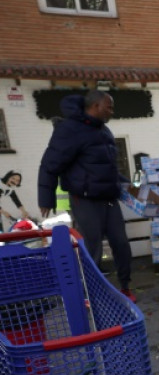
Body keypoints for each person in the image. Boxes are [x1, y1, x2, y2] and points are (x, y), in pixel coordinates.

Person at [37, 91, 136, 302]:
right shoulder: (69, 130)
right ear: (95, 106)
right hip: (85, 198)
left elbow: (106, 167)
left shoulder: (104, 130)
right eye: (109, 106)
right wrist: (46, 198)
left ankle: (125, 287)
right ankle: (92, 293)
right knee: (93, 246)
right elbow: (50, 164)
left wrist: (130, 185)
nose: (112, 111)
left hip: (109, 197)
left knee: (121, 243)